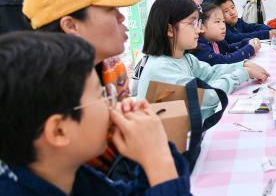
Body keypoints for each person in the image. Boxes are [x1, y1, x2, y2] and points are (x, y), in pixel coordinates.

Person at [0, 32, 191, 196]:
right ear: (59, 131)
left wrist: (154, 152)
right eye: (102, 95)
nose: (112, 104)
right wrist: (158, 160)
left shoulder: (70, 175)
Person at [22, 0, 145, 172]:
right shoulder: (41, 93)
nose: (121, 18)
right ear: (71, 26)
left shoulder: (113, 68)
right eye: (110, 9)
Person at [135, 0, 269, 119]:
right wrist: (243, 73)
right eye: (192, 23)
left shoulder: (184, 58)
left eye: (198, 23)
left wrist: (242, 65)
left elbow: (210, 73)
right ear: (170, 30)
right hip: (169, 141)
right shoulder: (160, 69)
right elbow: (206, 96)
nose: (198, 30)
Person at [194, 3, 262, 66]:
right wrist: (250, 49)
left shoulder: (216, 41)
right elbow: (223, 61)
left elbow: (228, 49)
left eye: (223, 21)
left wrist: (247, 42)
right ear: (201, 26)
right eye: (217, 21)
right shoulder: (200, 46)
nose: (223, 26)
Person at [210, 0, 276, 43]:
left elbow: (253, 27)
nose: (232, 13)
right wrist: (266, 34)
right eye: (226, 11)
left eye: (232, 7)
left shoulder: (239, 22)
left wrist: (270, 29)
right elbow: (235, 38)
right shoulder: (222, 28)